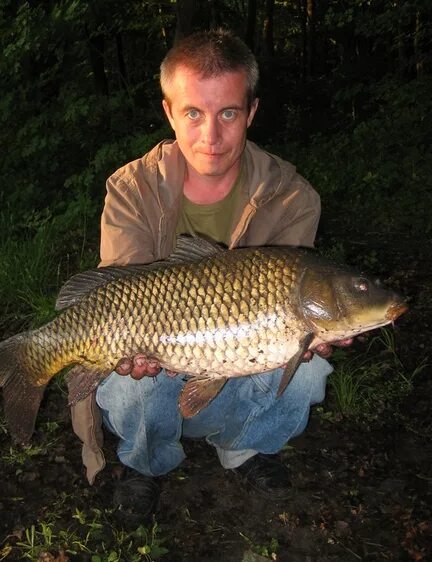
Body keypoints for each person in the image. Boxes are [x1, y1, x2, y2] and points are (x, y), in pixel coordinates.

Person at [69, 29, 350, 524]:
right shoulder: (132, 187)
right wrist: (126, 350)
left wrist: (316, 331)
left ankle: (243, 447)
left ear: (251, 113)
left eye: (228, 114)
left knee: (309, 369)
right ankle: (146, 463)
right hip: (154, 364)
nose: (211, 136)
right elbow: (115, 295)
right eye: (193, 114)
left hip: (233, 361)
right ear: (169, 113)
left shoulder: (293, 196)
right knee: (134, 380)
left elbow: (293, 292)